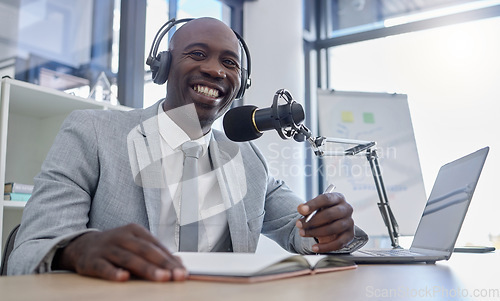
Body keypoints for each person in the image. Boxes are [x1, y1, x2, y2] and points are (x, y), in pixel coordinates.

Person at [8, 17, 361, 282]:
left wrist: (329, 229)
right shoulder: (93, 133)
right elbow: (28, 252)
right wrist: (77, 249)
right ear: (163, 68)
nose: (214, 70)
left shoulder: (249, 160)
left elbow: (300, 229)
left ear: (241, 85)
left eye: (230, 62)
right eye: (197, 54)